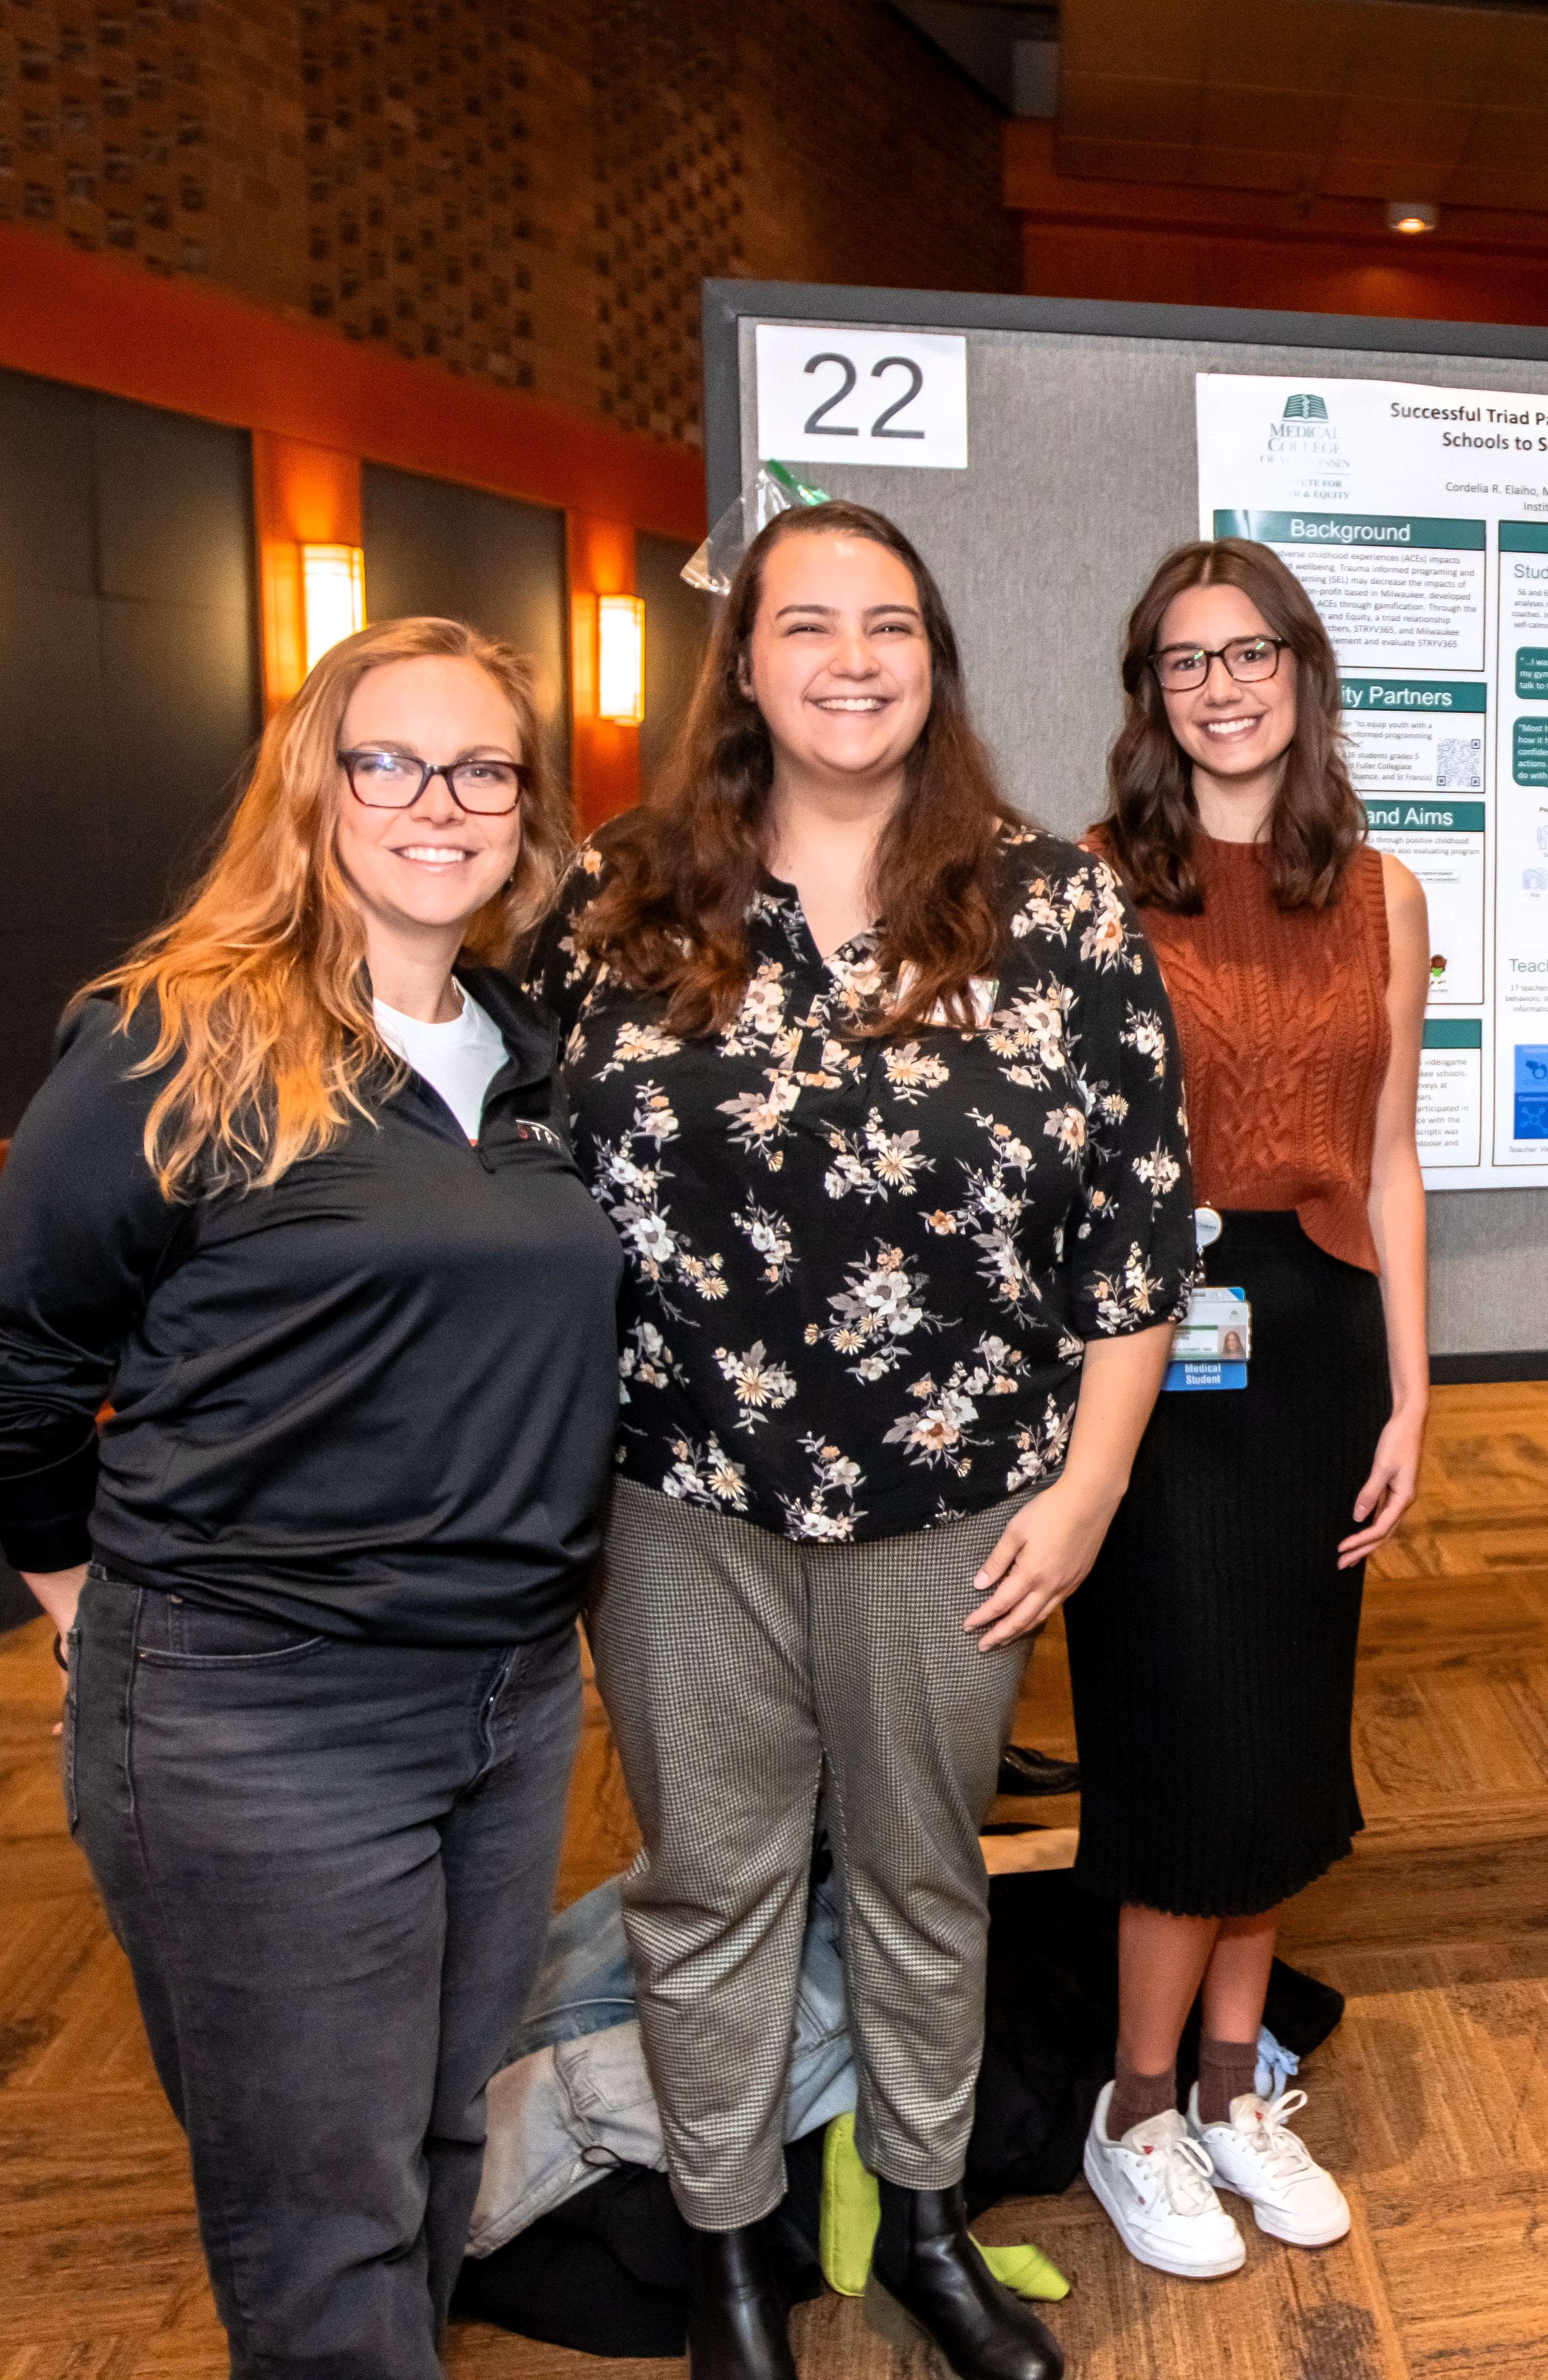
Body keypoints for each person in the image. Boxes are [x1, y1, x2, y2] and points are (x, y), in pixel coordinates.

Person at [534, 502, 1194, 2380]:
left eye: (887, 622)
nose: (849, 657)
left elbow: (1139, 1229)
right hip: (677, 1500)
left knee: (921, 1878)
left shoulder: (1050, 907)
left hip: (957, 1504)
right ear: (743, 662)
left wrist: (1089, 1487)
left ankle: (921, 2218)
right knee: (710, 1891)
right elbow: (518, 1176)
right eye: (806, 622)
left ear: (935, 659)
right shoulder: (619, 897)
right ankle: (728, 2258)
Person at [0, 620, 615, 2379]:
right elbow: (21, 1348)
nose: (438, 801)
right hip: (262, 1707)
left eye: (482, 768)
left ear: (525, 811)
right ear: (313, 785)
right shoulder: (175, 1037)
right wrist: (79, 1605)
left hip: (508, 1696)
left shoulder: (528, 1051)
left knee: (438, 2142)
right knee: (323, 2214)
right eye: (388, 760)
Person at [1071, 538, 1427, 2275]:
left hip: (1321, 1341)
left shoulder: (1383, 891)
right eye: (1185, 660)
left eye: (1250, 653)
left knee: (1284, 1729)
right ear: (1153, 693)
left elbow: (1392, 1158)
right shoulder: (1089, 887)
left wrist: (1413, 1398)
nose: (1222, 687)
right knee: (1183, 1734)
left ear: (1303, 670)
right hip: (1154, 1339)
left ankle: (1231, 2088)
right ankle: (1133, 2112)